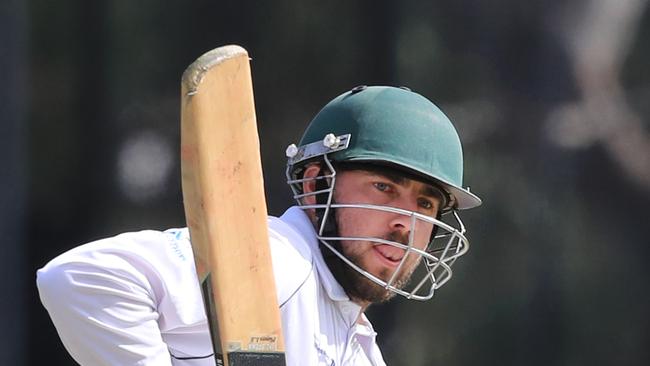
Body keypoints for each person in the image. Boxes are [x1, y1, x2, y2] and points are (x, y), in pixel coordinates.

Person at [37, 85, 482, 365]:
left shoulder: (359, 346)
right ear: (315, 184)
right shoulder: (275, 260)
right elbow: (81, 280)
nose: (406, 223)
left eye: (425, 204)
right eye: (384, 188)